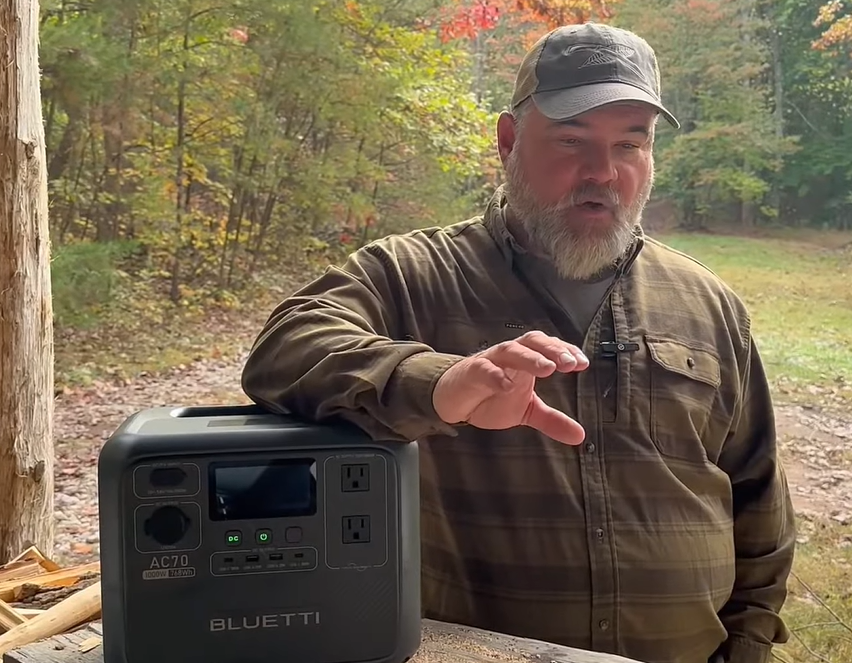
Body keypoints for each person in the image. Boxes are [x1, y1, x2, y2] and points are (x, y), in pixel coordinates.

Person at [241, 21, 796, 663]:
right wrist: (442, 384)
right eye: (571, 140)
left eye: (630, 144)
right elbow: (287, 347)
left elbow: (756, 496)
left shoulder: (708, 301)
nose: (603, 172)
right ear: (508, 141)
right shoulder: (410, 274)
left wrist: (749, 645)